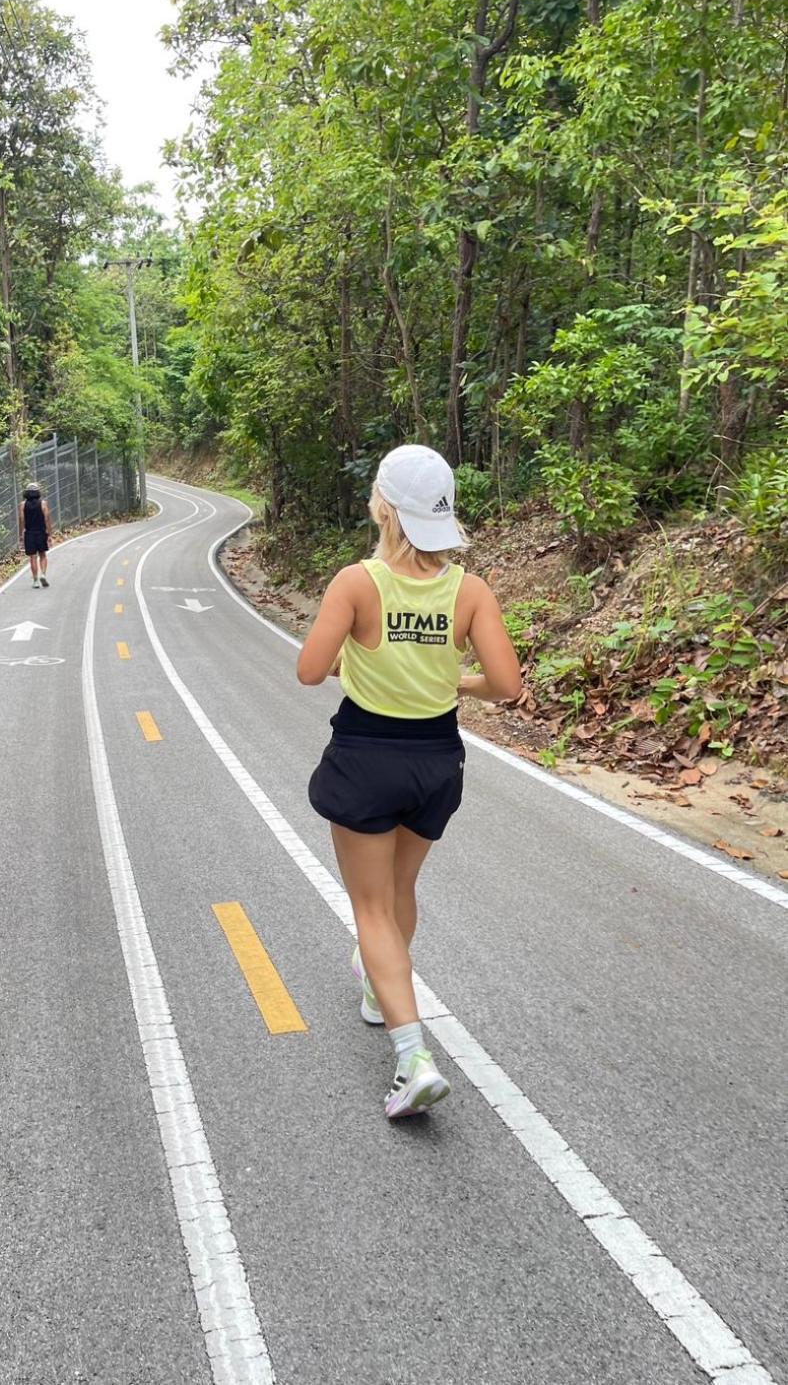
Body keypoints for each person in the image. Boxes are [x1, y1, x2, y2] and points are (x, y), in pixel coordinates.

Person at [297, 445, 521, 1120]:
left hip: (367, 756)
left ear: (383, 507)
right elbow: (508, 687)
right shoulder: (469, 590)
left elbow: (311, 669)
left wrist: (359, 661)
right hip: (436, 762)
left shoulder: (357, 583)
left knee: (369, 908)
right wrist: (453, 678)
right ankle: (378, 993)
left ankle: (412, 1057)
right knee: (399, 892)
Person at [19, 482, 53, 587]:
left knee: (32, 557)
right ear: (38, 492)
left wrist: (21, 535)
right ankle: (43, 574)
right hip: (41, 532)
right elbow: (47, 519)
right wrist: (49, 534)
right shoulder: (43, 503)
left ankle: (35, 581)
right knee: (42, 555)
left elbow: (21, 520)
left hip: (29, 533)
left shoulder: (22, 505)